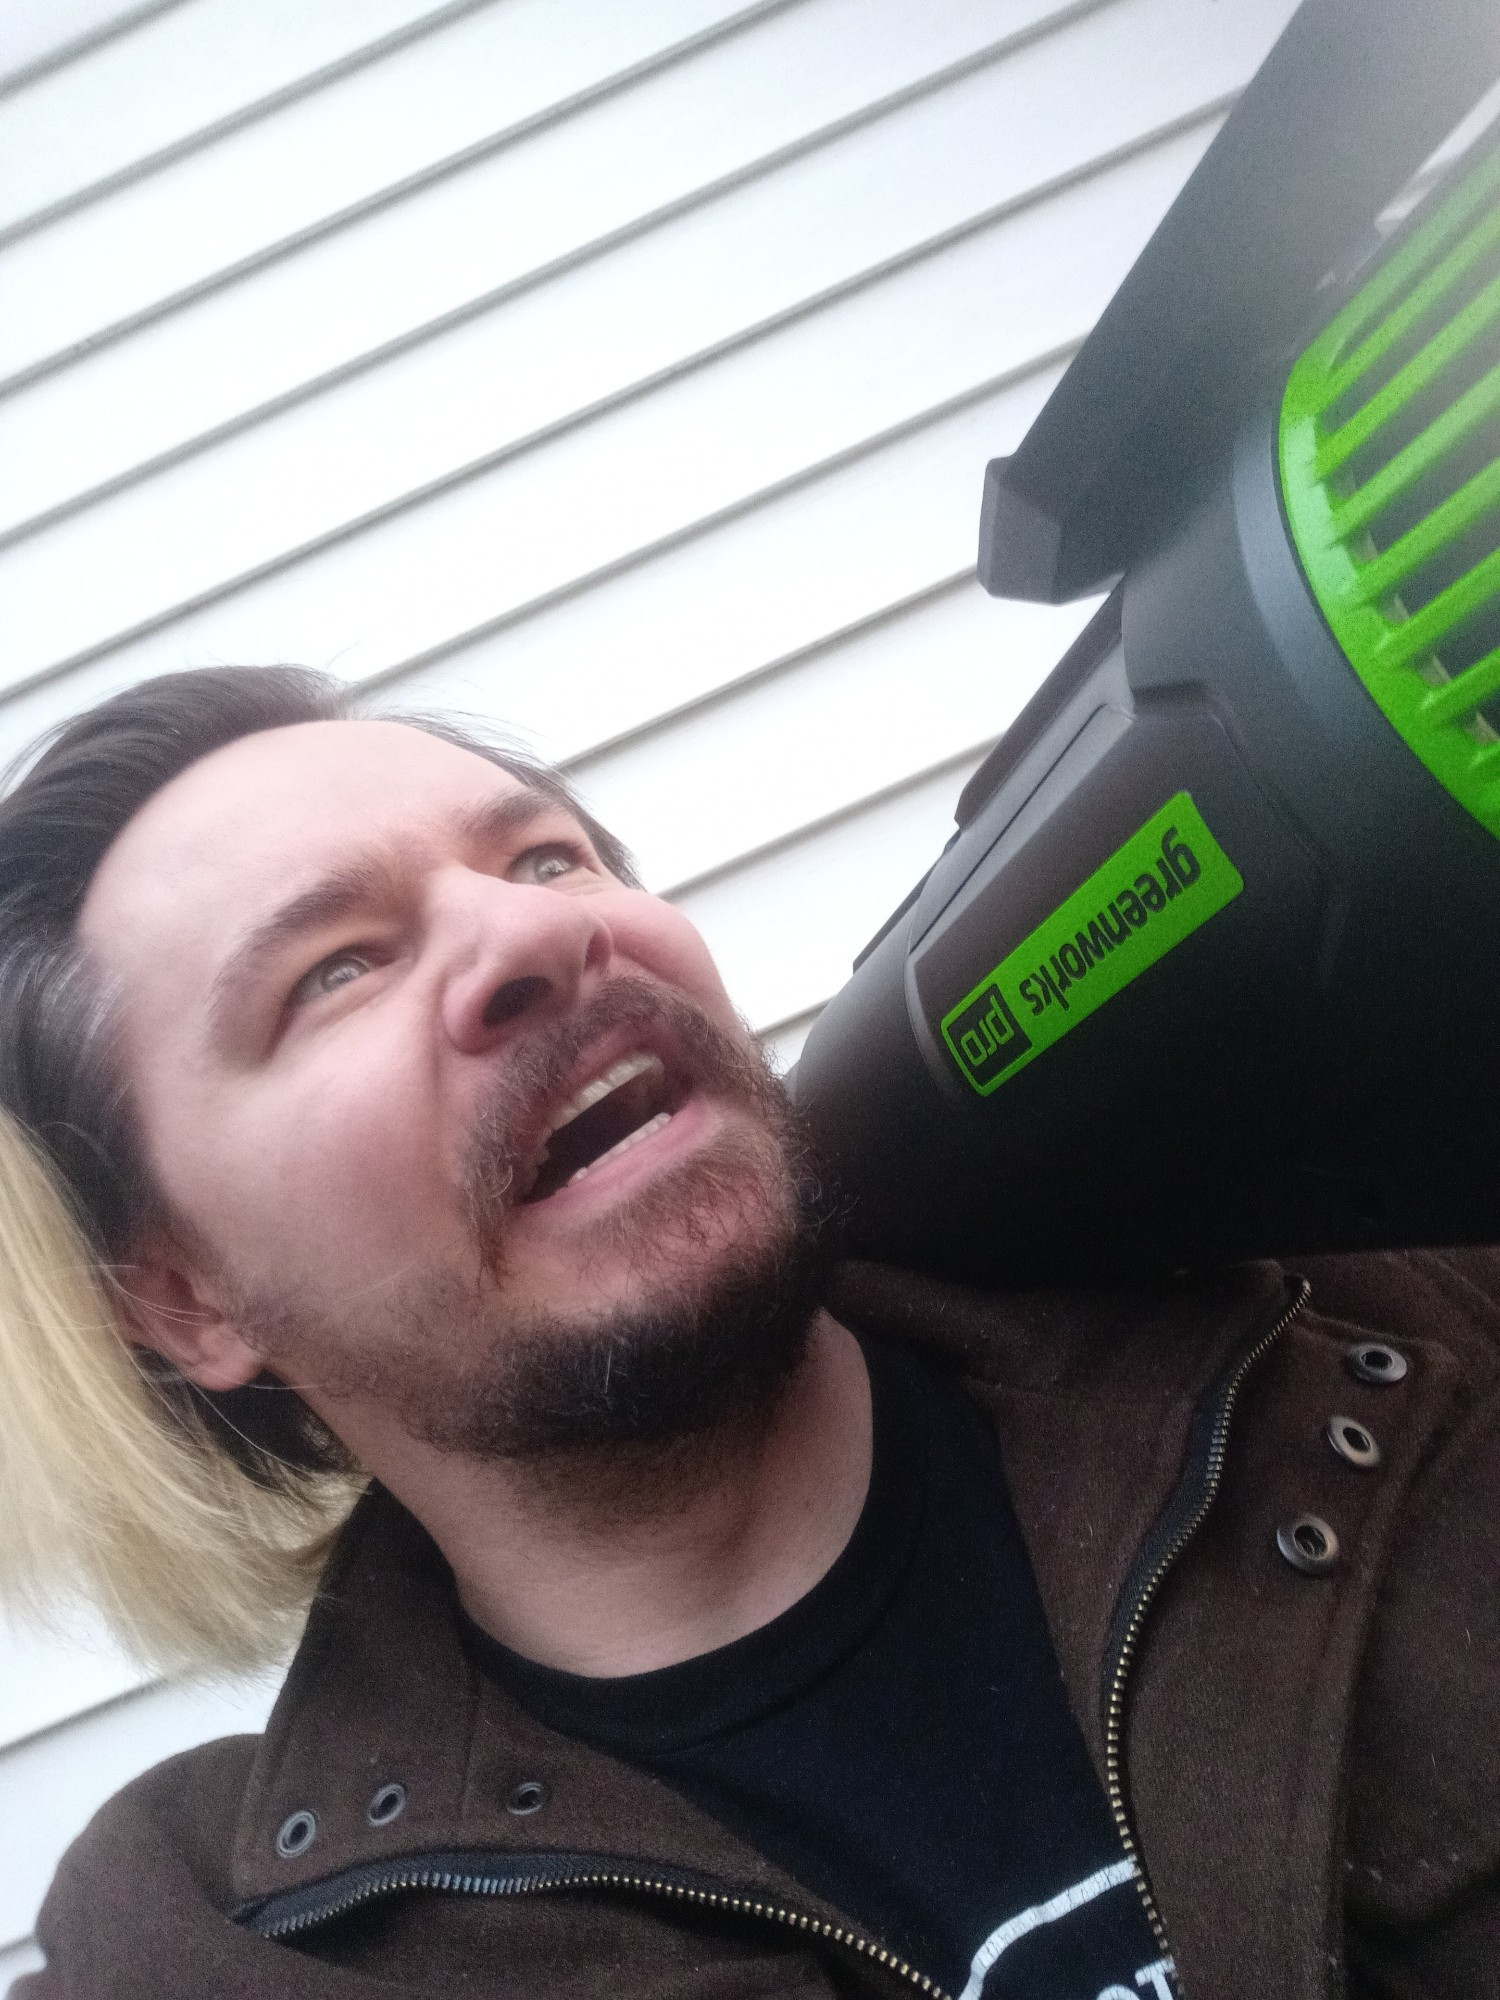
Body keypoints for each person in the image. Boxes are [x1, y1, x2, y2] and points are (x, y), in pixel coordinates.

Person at [0, 667, 1494, 2000]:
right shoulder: (211, 1948)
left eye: (545, 854)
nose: (539, 929)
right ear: (185, 1299)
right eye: (334, 968)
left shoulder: (1371, 1303)